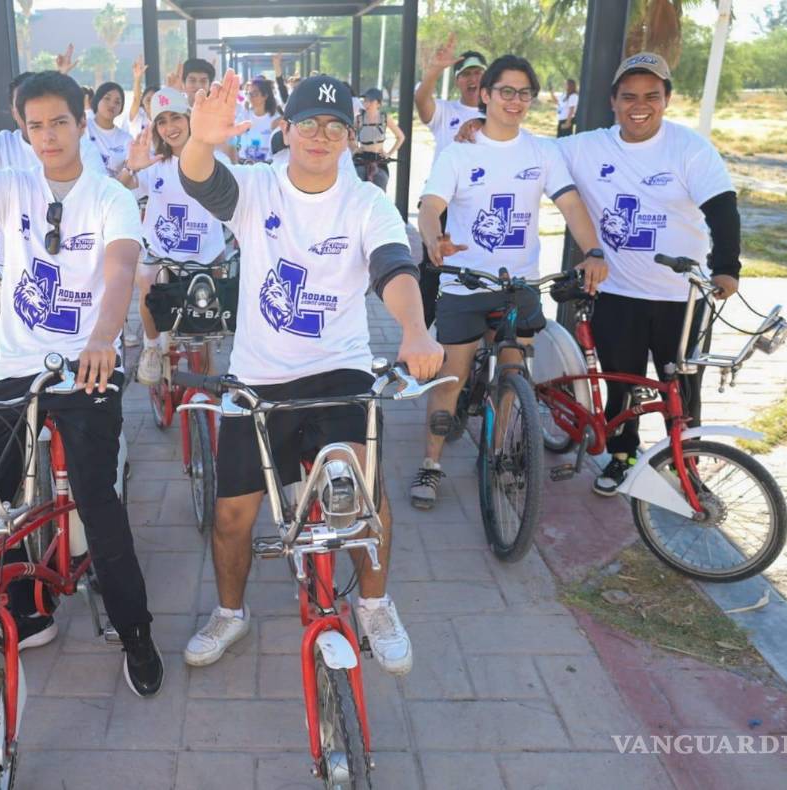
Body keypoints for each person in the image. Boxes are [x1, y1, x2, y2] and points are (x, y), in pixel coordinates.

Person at [177, 71, 444, 675]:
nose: (320, 136)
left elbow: (393, 268)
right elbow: (201, 180)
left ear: (351, 137)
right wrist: (200, 141)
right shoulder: (258, 189)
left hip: (337, 373)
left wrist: (415, 330)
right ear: (285, 129)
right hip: (257, 378)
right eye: (307, 124)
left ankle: (375, 603)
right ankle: (230, 613)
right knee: (231, 516)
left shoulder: (367, 202)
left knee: (365, 497)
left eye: (335, 126)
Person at [0, 71, 164, 697]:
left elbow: (118, 271)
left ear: (81, 121)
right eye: (35, 126)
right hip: (17, 367)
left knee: (95, 499)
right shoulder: (14, 188)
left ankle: (135, 632)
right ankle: (25, 607)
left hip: (88, 368)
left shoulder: (109, 196)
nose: (49, 136)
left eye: (59, 122)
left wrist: (103, 338)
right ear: (23, 131)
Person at [410, 55, 607, 509]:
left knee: (514, 374)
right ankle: (431, 463)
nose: (515, 101)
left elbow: (573, 205)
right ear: (485, 95)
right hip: (464, 283)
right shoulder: (460, 152)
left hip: (519, 285)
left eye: (524, 93)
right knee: (451, 379)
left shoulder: (543, 152)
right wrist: (433, 239)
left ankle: (497, 455)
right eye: (506, 91)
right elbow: (428, 205)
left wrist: (593, 251)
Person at [553, 53, 740, 494]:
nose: (641, 105)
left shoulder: (690, 149)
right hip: (617, 293)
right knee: (622, 384)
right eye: (630, 96)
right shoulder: (586, 146)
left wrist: (727, 269)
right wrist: (476, 129)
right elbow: (527, 150)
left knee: (684, 387)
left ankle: (684, 463)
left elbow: (722, 209)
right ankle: (621, 456)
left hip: (683, 298)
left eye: (652, 96)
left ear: (667, 100)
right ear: (613, 101)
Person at [118, 87, 230, 386]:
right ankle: (152, 347)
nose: (170, 127)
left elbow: (241, 204)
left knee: (207, 325)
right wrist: (131, 167)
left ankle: (209, 399)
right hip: (160, 254)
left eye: (176, 118)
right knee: (147, 282)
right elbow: (117, 192)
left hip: (206, 255)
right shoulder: (153, 163)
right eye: (162, 121)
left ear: (190, 118)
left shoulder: (217, 160)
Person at [414, 34, 489, 330]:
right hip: (442, 205)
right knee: (434, 269)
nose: (473, 78)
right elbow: (421, 101)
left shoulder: (497, 114)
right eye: (467, 73)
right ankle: (419, 337)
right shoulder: (446, 112)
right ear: (458, 80)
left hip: (479, 207)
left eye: (479, 73)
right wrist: (434, 70)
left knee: (477, 268)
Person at [353, 87, 404, 191]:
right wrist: (354, 148)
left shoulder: (385, 118)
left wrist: (389, 154)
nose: (367, 104)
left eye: (370, 101)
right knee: (358, 190)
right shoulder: (359, 118)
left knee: (380, 190)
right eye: (365, 100)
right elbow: (347, 134)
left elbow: (400, 137)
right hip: (361, 159)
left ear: (378, 104)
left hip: (379, 160)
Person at [86, 81, 133, 177]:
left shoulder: (126, 139)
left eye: (117, 102)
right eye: (107, 98)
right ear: (97, 100)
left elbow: (129, 173)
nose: (112, 105)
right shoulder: (84, 126)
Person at [235, 77, 281, 163]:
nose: (251, 97)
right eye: (249, 94)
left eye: (255, 94)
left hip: (266, 165)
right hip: (244, 163)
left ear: (265, 96)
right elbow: (233, 135)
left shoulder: (275, 119)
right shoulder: (245, 115)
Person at [127, 55, 159, 138]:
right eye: (148, 100)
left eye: (155, 99)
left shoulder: (164, 118)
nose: (151, 102)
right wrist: (137, 78)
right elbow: (136, 99)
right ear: (142, 102)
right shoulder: (137, 118)